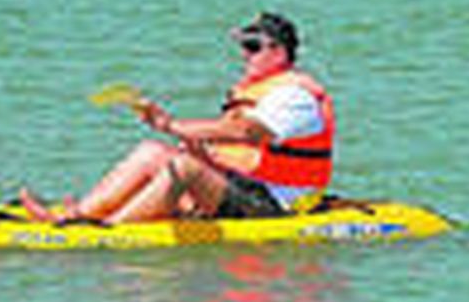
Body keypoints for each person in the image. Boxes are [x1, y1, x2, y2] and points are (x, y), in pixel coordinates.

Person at [20, 13, 335, 226]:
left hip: (275, 206)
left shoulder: (296, 97)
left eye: (253, 47)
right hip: (246, 187)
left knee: (182, 168)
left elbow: (248, 132)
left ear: (280, 52)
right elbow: (236, 147)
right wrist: (191, 144)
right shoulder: (262, 91)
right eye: (243, 46)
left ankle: (109, 230)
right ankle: (76, 216)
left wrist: (171, 125)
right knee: (152, 151)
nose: (243, 54)